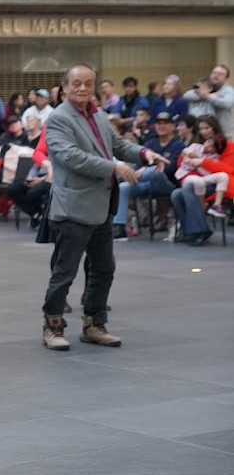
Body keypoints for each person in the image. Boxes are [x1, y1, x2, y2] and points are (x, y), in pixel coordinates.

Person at [38, 64, 167, 351]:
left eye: (88, 83)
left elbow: (117, 145)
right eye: (76, 83)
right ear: (64, 87)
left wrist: (145, 152)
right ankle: (53, 325)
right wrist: (115, 167)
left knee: (104, 268)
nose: (83, 88)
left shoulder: (98, 114)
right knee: (65, 272)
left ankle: (94, 324)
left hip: (101, 206)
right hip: (73, 208)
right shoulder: (58, 118)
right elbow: (71, 157)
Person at [111, 111, 184, 240]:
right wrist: (141, 170)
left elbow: (170, 168)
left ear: (173, 126)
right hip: (146, 183)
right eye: (159, 123)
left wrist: (145, 169)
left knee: (157, 170)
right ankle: (119, 227)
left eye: (165, 123)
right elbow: (138, 163)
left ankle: (129, 175)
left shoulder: (178, 145)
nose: (161, 126)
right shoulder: (151, 143)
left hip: (167, 183)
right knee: (123, 187)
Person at [170, 116, 232, 245]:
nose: (204, 131)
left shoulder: (226, 145)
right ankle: (191, 232)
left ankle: (198, 231)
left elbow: (228, 169)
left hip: (217, 183)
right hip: (195, 179)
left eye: (207, 128)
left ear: (215, 128)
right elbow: (181, 163)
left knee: (188, 189)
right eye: (201, 129)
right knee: (176, 194)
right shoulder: (196, 144)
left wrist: (202, 161)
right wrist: (189, 158)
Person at [184, 64, 233, 133]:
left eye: (220, 74)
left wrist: (207, 96)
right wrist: (209, 95)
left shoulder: (228, 90)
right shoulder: (205, 86)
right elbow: (187, 95)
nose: (216, 75)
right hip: (199, 130)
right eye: (214, 73)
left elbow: (226, 103)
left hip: (221, 132)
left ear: (226, 78)